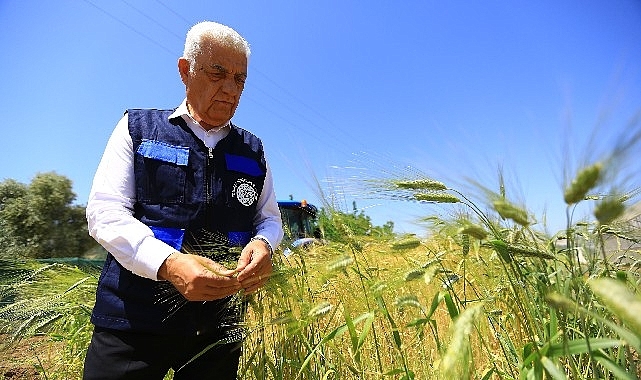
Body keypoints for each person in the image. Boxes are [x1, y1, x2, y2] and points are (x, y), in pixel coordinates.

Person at [83, 21, 283, 379]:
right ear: (185, 70)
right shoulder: (138, 128)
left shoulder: (252, 149)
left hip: (218, 327)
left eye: (240, 79)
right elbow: (105, 212)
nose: (230, 88)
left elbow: (268, 218)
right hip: (133, 319)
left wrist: (265, 243)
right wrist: (170, 264)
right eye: (218, 72)